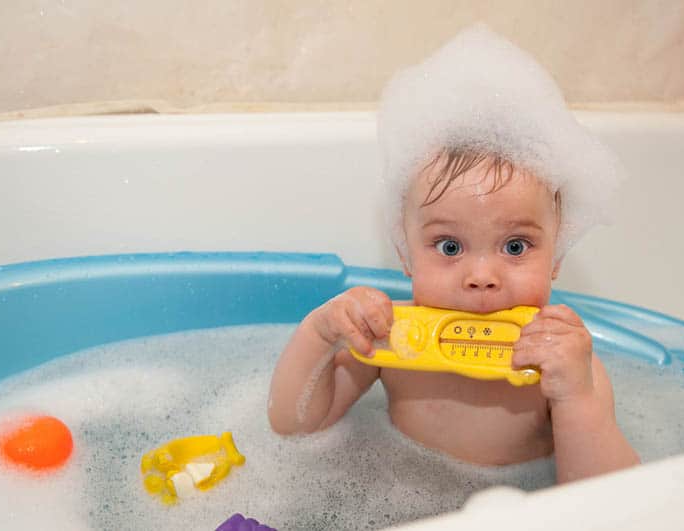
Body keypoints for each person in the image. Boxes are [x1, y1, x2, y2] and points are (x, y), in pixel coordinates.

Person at [267, 26, 640, 483]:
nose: (481, 275)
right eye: (449, 246)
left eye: (516, 246)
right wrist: (318, 333)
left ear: (556, 254)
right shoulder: (392, 340)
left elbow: (612, 497)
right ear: (406, 255)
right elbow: (295, 426)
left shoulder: (560, 364)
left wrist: (576, 398)